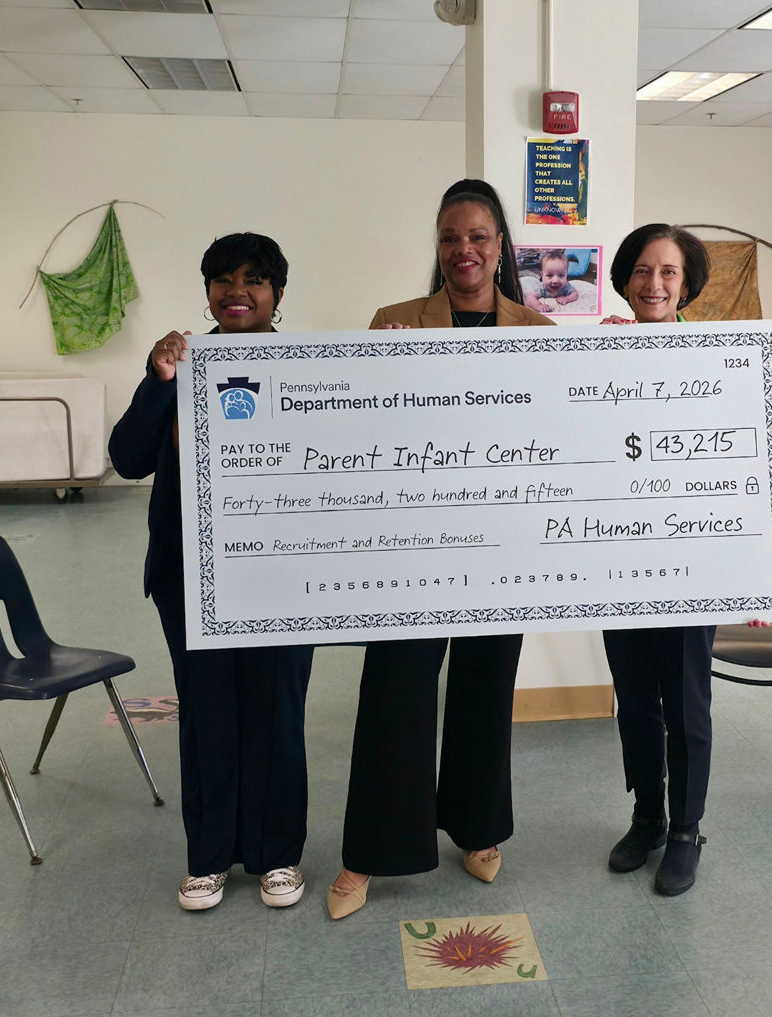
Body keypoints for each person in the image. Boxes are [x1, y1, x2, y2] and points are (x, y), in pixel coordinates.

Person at [328, 180, 554, 920]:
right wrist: (379, 373)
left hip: (499, 545)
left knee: (486, 690)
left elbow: (557, 438)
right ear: (437, 246)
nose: (465, 250)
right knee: (394, 691)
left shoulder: (537, 329)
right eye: (452, 237)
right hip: (411, 547)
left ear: (500, 248)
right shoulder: (393, 323)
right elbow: (358, 434)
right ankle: (367, 852)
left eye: (479, 237)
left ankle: (478, 830)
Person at [109, 233, 314, 912]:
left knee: (277, 709)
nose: (238, 292)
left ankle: (277, 854)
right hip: (191, 573)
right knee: (207, 712)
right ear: (206, 293)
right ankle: (208, 859)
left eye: (254, 279)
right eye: (223, 280)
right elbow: (130, 458)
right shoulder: (183, 363)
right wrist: (156, 379)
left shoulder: (308, 366)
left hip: (283, 572)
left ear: (277, 293)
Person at [599, 224, 768, 897]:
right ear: (624, 278)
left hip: (692, 562)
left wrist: (754, 571)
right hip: (617, 557)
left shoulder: (719, 356)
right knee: (635, 700)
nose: (654, 284)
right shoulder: (598, 353)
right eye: (642, 270)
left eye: (668, 272)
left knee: (687, 702)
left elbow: (745, 459)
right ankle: (647, 813)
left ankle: (687, 830)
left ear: (688, 283)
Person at [524, 249, 580, 313]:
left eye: (561, 275)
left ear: (566, 275)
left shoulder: (566, 286)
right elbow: (529, 297)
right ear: (542, 275)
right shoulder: (542, 287)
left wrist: (567, 299)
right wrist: (538, 305)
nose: (555, 281)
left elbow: (575, 294)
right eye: (550, 275)